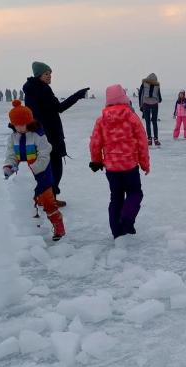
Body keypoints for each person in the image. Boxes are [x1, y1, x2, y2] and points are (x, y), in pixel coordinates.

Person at [23, 61, 89, 206]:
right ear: (39, 75)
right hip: (49, 134)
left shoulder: (33, 89)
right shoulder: (42, 90)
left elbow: (34, 113)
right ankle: (48, 197)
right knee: (55, 168)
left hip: (42, 134)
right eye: (46, 74)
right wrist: (77, 95)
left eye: (50, 74)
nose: (50, 76)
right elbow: (59, 108)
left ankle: (44, 196)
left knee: (48, 168)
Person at [89, 84, 150, 239]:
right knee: (135, 193)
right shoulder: (131, 117)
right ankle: (127, 219)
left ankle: (117, 231)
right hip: (129, 166)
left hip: (112, 168)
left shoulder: (101, 119)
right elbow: (142, 141)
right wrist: (144, 163)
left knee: (116, 198)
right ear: (124, 97)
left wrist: (96, 160)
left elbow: (95, 142)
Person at [3, 100, 65, 241]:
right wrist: (9, 167)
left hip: (42, 176)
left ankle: (58, 226)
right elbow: (11, 155)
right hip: (25, 181)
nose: (20, 127)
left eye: (22, 124)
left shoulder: (38, 135)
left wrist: (32, 170)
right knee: (30, 205)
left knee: (49, 203)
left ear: (29, 121)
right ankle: (34, 231)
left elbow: (44, 154)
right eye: (16, 125)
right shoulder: (13, 138)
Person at [138, 73, 163, 146]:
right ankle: (156, 139)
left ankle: (149, 139)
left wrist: (141, 105)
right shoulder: (157, 85)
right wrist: (157, 100)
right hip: (154, 104)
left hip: (146, 104)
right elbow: (159, 97)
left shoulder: (144, 83)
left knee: (148, 122)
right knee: (154, 122)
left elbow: (140, 94)